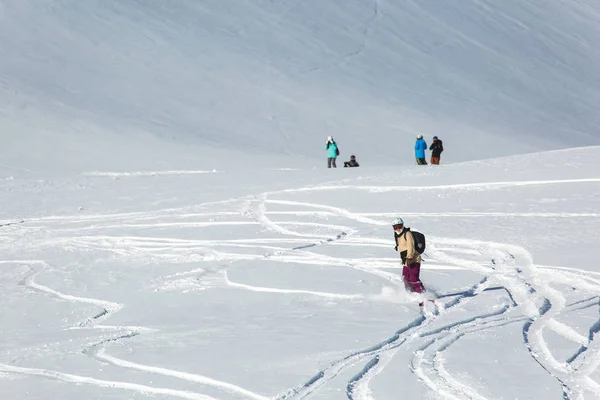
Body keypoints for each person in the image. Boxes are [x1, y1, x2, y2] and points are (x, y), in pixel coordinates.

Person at [392, 217, 425, 296]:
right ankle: (410, 292)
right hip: (405, 260)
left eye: (399, 226)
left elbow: (411, 246)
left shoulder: (407, 233)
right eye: (395, 227)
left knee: (413, 277)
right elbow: (403, 246)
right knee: (405, 278)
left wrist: (410, 257)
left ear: (402, 225)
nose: (397, 228)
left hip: (413, 259)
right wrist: (398, 247)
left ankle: (421, 293)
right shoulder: (398, 235)